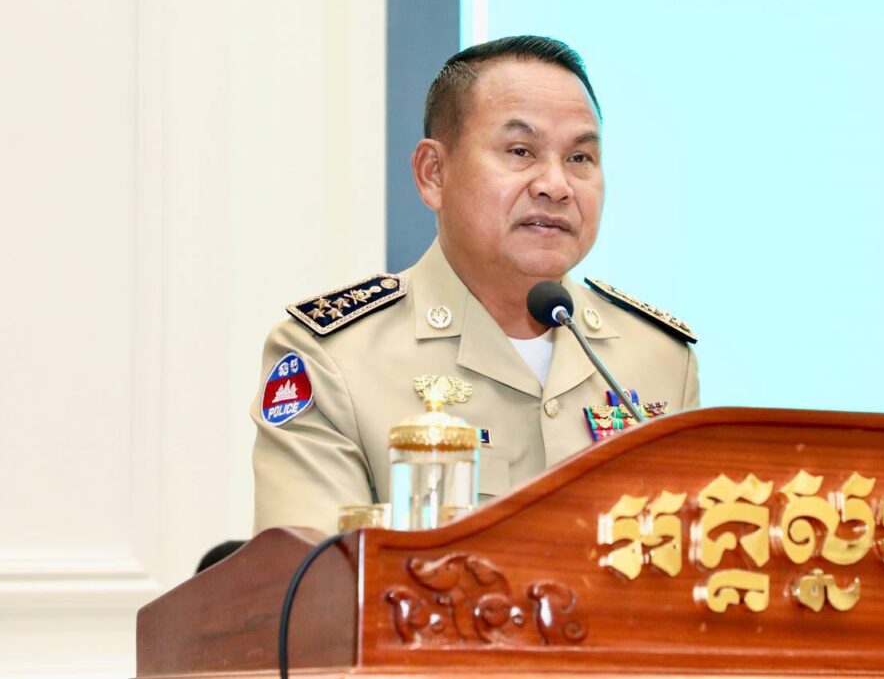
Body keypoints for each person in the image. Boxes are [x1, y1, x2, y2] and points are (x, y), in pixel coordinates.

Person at [251, 36, 699, 536]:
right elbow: (311, 575)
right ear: (434, 174)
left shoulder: (660, 359)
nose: (556, 186)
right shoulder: (332, 359)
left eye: (580, 158)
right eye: (520, 151)